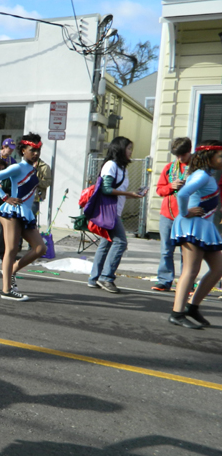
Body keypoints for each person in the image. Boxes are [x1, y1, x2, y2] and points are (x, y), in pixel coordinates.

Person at [168, 140, 222, 329]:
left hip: (203, 227)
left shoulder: (205, 175)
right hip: (193, 226)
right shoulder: (201, 176)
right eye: (220, 156)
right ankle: (177, 313)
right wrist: (185, 212)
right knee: (190, 271)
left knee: (218, 268)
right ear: (209, 157)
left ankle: (192, 307)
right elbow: (182, 194)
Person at [0, 134, 48, 302]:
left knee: (40, 248)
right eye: (32, 150)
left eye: (38, 150)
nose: (36, 153)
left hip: (25, 213)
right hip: (12, 211)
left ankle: (12, 269)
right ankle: (6, 290)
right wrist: (5, 197)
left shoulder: (33, 169)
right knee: (12, 249)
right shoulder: (18, 167)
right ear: (23, 151)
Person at [86, 136, 144, 294]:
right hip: (109, 212)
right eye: (129, 148)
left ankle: (94, 278)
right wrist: (128, 193)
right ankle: (107, 277)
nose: (131, 152)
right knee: (121, 242)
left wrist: (133, 194)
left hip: (113, 211)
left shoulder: (122, 168)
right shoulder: (111, 165)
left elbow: (118, 193)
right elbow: (106, 189)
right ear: (120, 149)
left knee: (106, 244)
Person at [153, 137, 192, 292]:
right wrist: (171, 186)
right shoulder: (170, 168)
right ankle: (164, 280)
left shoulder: (197, 168)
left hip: (187, 216)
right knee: (166, 250)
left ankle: (186, 283)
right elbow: (160, 190)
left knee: (187, 252)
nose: (180, 158)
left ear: (189, 151)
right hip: (167, 215)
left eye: (183, 154)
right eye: (177, 155)